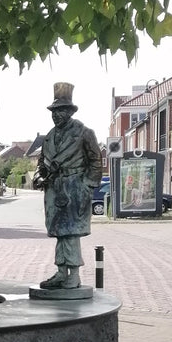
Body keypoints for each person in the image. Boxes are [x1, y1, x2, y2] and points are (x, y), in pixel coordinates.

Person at [32, 82, 103, 290]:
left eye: (60, 111)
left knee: (71, 232)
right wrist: (39, 177)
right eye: (54, 112)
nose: (55, 116)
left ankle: (74, 274)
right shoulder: (49, 137)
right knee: (59, 232)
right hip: (54, 188)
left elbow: (95, 160)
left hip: (74, 188)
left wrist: (86, 186)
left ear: (70, 112)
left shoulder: (84, 133)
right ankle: (61, 271)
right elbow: (41, 162)